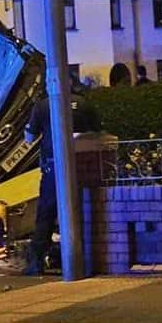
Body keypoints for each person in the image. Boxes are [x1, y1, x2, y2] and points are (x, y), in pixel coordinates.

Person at [22, 74, 101, 276]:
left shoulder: (42, 106)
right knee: (82, 211)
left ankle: (37, 262)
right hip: (85, 167)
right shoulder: (85, 105)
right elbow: (98, 134)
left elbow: (29, 138)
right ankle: (85, 258)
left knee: (46, 215)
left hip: (53, 167)